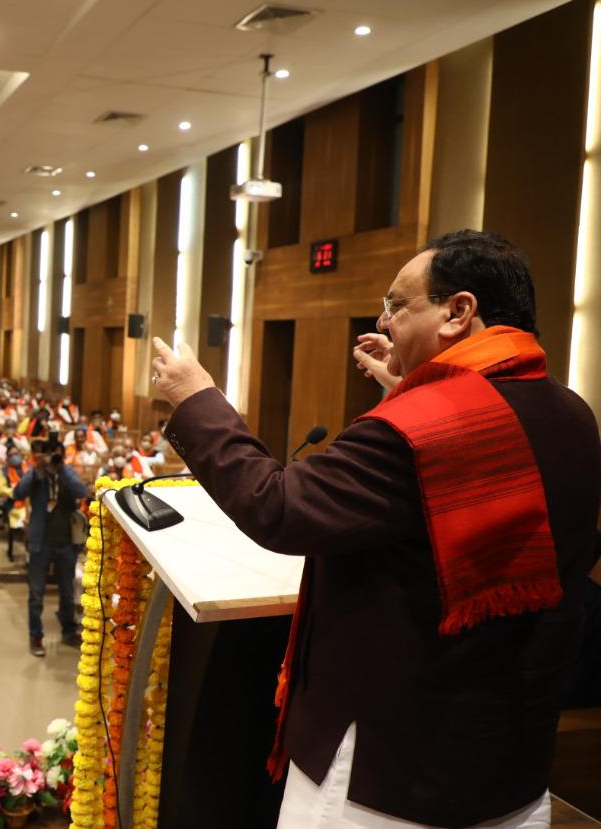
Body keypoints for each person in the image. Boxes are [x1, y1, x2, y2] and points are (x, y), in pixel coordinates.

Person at [149, 230, 601, 828]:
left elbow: (278, 507)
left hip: (389, 774)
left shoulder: (420, 427)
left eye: (397, 305)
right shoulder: (569, 411)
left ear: (458, 311)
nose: (383, 324)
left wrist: (195, 399)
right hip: (504, 753)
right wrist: (412, 389)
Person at [13, 440, 87, 657]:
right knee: (36, 593)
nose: (52, 459)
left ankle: (69, 630)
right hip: (40, 543)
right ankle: (36, 635)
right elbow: (18, 492)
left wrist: (61, 470)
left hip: (66, 543)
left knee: (67, 590)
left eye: (56, 456)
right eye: (49, 455)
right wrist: (37, 471)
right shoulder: (36, 474)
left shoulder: (67, 472)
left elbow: (80, 490)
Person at [0, 448, 32, 531]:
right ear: (7, 458)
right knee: (24, 515)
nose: (14, 457)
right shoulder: (3, 471)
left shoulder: (29, 469)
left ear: (20, 455)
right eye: (11, 455)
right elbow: (0, 489)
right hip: (14, 501)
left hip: (30, 500)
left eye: (16, 454)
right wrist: (15, 492)